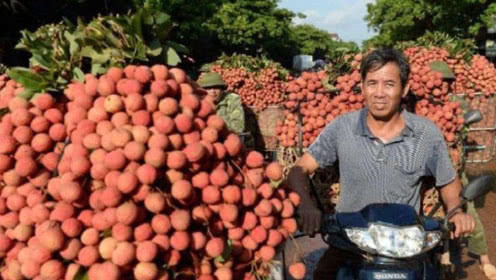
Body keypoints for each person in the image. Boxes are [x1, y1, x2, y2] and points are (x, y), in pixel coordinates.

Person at [287, 48, 476, 280]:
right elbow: (299, 170)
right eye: (372, 83)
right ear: (363, 88)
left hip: (405, 247)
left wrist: (456, 211)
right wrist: (306, 205)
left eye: (389, 84)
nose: (379, 93)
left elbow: (448, 183)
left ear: (404, 89)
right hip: (349, 243)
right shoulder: (342, 128)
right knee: (323, 275)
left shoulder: (426, 134)